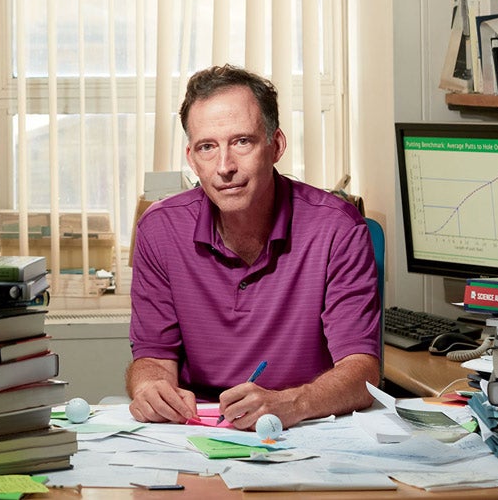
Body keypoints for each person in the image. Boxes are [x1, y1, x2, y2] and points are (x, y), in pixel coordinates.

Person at [126, 64, 380, 431]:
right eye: (207, 147)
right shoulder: (159, 229)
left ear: (275, 146)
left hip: (306, 425)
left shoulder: (337, 227)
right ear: (191, 158)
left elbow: (362, 371)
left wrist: (293, 403)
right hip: (200, 428)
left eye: (241, 141)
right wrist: (150, 386)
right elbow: (154, 356)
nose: (224, 166)